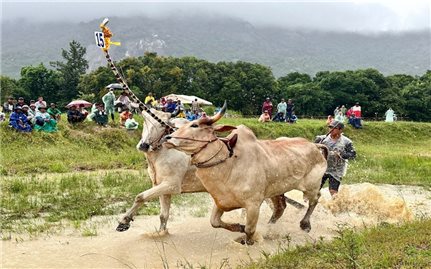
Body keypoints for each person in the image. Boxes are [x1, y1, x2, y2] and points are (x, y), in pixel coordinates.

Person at [315, 121, 356, 197]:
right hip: (323, 167)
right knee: (314, 189)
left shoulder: (346, 142)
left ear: (340, 130)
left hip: (337, 169)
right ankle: (313, 202)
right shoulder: (321, 139)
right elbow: (312, 150)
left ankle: (336, 205)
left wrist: (342, 155)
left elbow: (353, 154)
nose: (331, 129)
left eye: (334, 128)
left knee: (333, 191)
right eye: (330, 127)